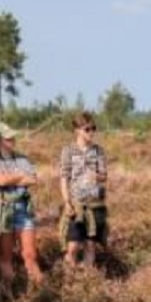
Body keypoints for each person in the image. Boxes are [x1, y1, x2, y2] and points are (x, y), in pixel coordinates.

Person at [0, 122, 43, 289]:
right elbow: (0, 181)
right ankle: (11, 293)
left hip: (23, 208)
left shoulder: (22, 158)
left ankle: (42, 291)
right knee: (6, 256)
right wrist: (20, 176)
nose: (13, 140)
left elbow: (33, 179)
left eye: (12, 137)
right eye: (8, 137)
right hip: (3, 211)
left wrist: (9, 177)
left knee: (30, 254)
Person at [59, 111, 109, 268]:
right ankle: (70, 280)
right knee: (72, 246)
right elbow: (63, 178)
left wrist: (96, 176)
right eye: (87, 129)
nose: (92, 132)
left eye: (93, 128)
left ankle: (87, 280)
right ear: (77, 130)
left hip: (95, 204)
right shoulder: (68, 150)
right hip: (76, 204)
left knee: (90, 245)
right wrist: (67, 203)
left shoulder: (98, 150)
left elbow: (104, 175)